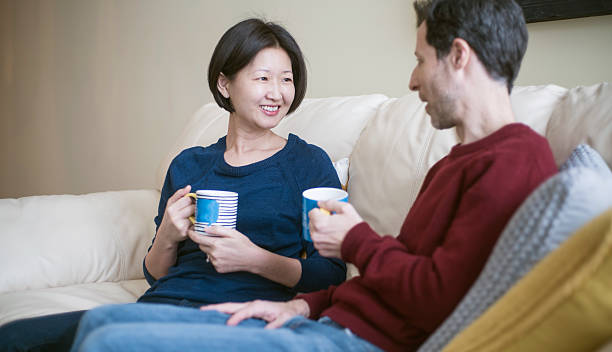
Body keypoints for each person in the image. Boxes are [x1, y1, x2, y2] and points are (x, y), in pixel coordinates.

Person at [67, 1, 559, 351]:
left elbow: (434, 297)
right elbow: (392, 282)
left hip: (351, 339)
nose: (411, 80)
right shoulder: (453, 163)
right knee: (99, 322)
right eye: (262, 78)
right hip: (323, 322)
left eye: (419, 60)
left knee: (108, 338)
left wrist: (355, 240)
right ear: (226, 84)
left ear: (458, 56)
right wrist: (302, 308)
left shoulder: (516, 159)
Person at [0, 18, 346, 352]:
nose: (277, 92)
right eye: (263, 78)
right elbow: (156, 275)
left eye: (286, 79)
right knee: (13, 337)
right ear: (225, 84)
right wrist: (167, 232)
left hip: (233, 316)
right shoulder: (188, 164)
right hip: (158, 306)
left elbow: (330, 273)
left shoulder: (308, 163)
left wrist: (255, 259)